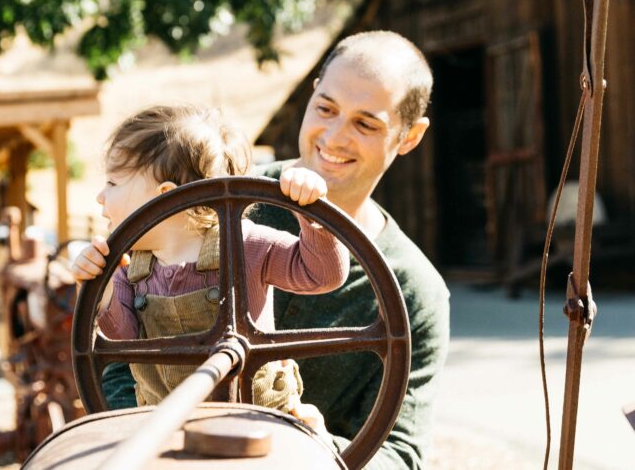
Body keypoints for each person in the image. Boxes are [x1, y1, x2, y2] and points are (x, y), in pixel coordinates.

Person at [101, 31, 451, 470]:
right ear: (311, 95)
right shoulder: (210, 201)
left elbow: (401, 454)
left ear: (409, 136)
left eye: (366, 123)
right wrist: (152, 442)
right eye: (326, 108)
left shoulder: (415, 292)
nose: (336, 136)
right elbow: (120, 358)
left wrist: (326, 449)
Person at [71, 104, 349, 415]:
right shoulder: (128, 271)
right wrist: (100, 289)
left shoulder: (245, 247)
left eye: (112, 183)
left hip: (259, 420)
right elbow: (122, 342)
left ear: (164, 196)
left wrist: (311, 213)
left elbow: (323, 274)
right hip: (168, 423)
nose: (100, 196)